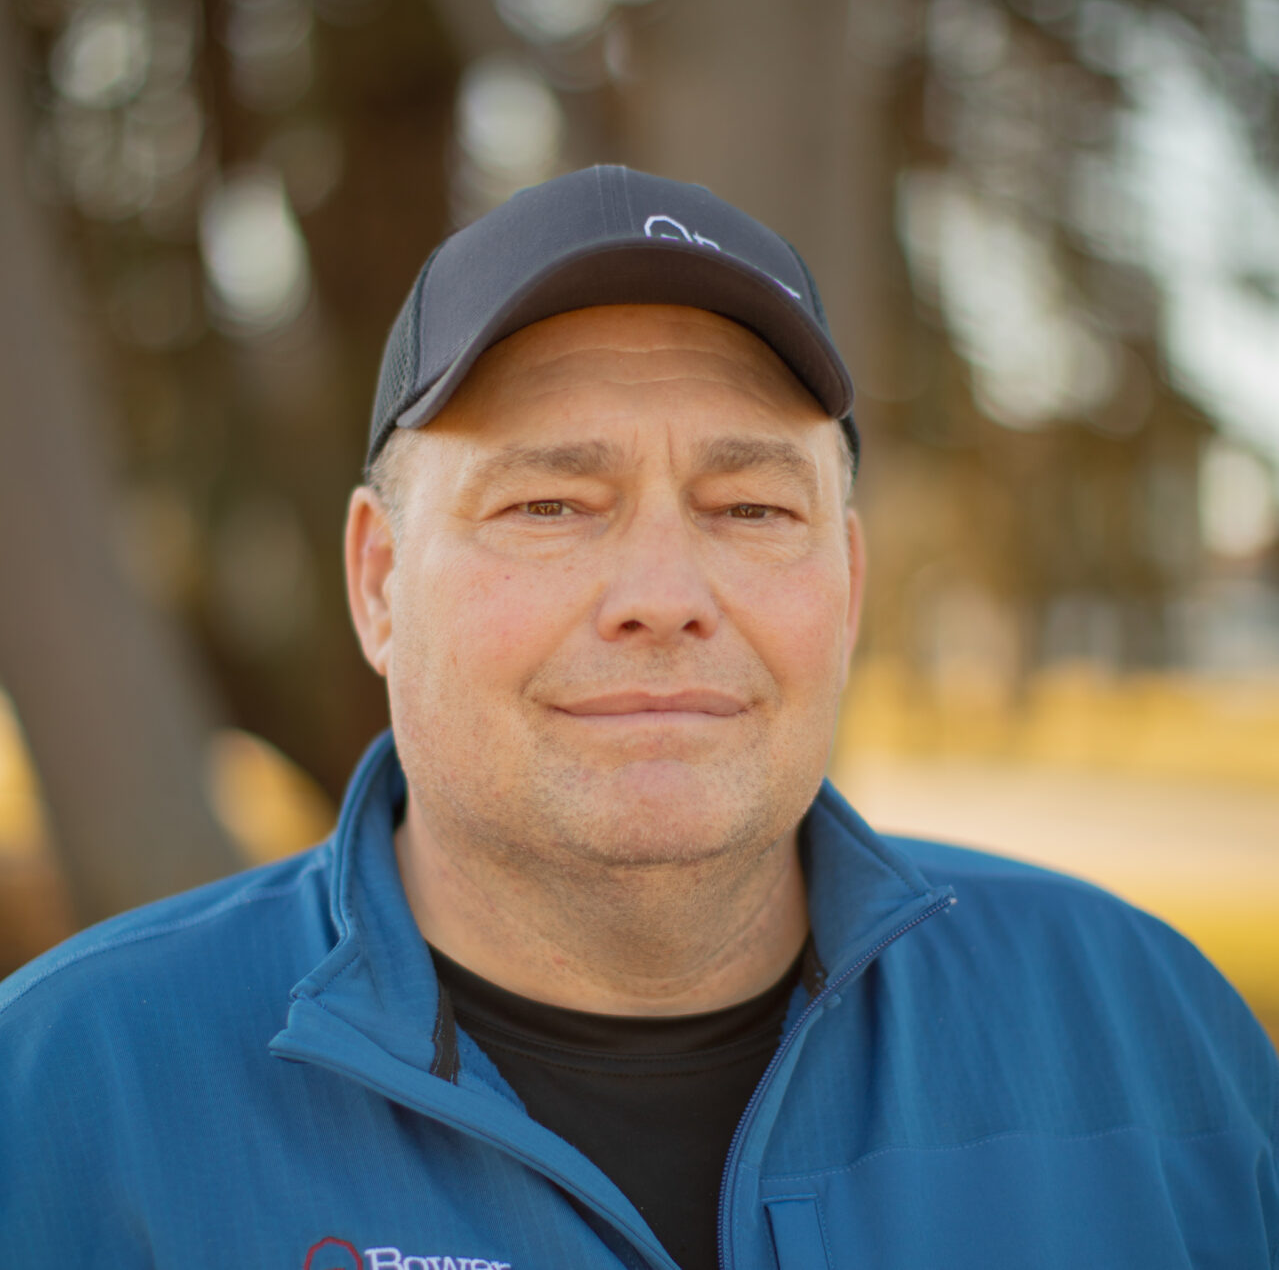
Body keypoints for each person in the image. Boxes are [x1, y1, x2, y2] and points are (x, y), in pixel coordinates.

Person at [1, 165, 1274, 1270]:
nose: (663, 596)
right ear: (380, 581)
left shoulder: (1147, 1032)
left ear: (846, 585)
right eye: (549, 506)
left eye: (750, 508)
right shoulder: (65, 1096)